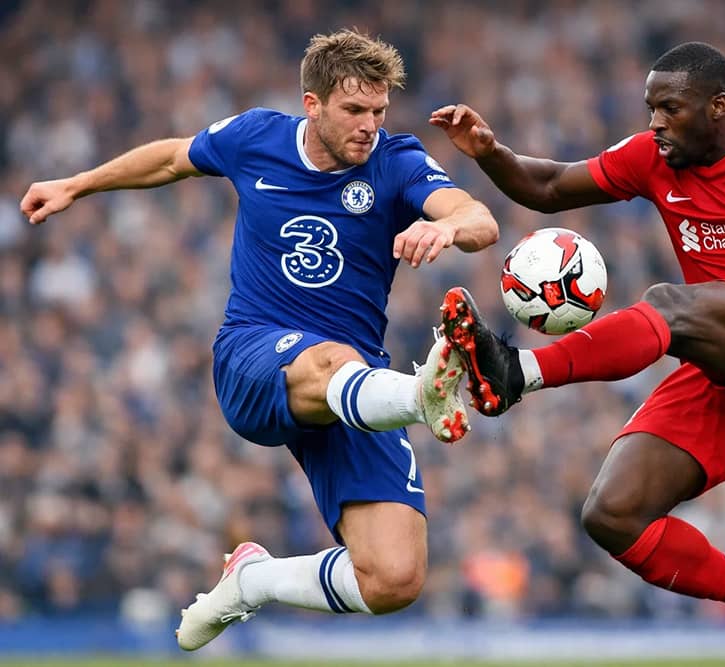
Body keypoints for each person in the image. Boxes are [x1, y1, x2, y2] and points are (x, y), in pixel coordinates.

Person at [20, 29, 499, 650]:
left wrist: (448, 229)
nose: (369, 126)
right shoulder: (256, 138)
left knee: (394, 577)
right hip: (255, 356)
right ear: (312, 104)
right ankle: (419, 397)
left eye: (379, 111)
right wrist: (77, 184)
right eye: (355, 110)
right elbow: (171, 158)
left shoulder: (396, 162)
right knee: (337, 359)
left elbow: (478, 218)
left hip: (356, 388)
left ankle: (253, 580)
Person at [430, 41, 725, 667]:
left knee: (671, 304)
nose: (655, 122)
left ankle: (519, 372)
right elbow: (546, 186)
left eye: (669, 108)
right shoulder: (653, 158)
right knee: (613, 514)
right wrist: (491, 152)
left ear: (718, 106)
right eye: (650, 108)